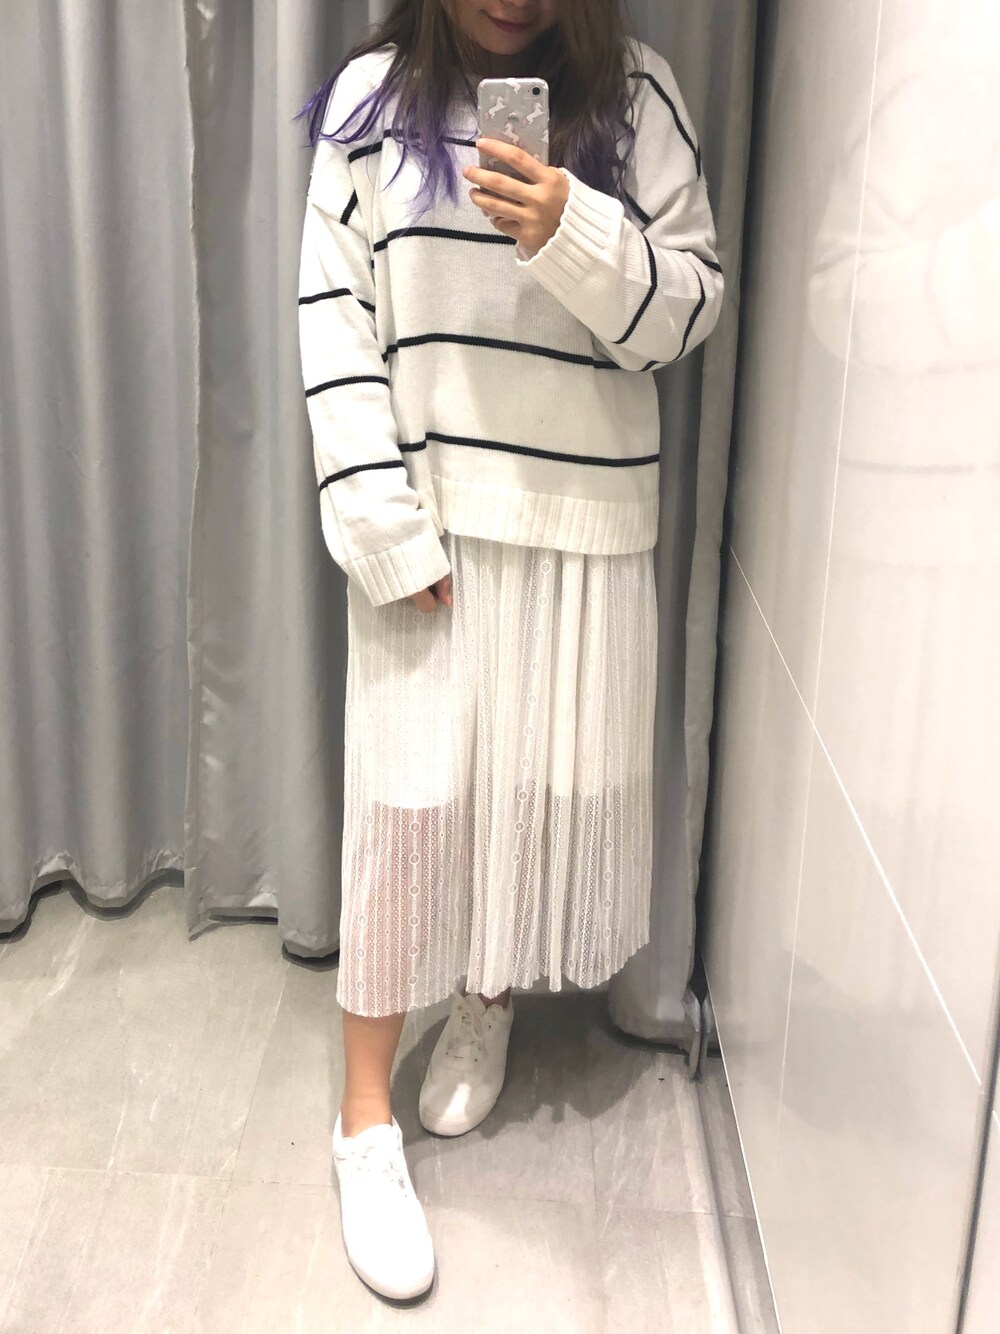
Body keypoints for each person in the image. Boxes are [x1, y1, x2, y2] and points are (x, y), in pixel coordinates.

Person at [295, 0, 723, 1300]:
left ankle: (485, 998)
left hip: (582, 521)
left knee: (530, 796)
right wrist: (379, 521)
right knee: (407, 815)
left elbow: (689, 309)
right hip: (430, 522)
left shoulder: (635, 96)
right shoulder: (371, 103)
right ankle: (363, 1119)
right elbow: (334, 316)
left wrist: (570, 232)